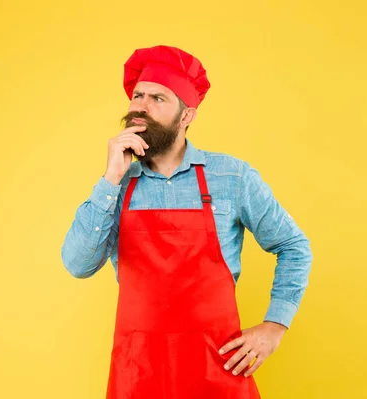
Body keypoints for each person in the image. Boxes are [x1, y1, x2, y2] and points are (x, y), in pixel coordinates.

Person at [61, 45, 313, 399]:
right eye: (138, 95)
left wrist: (275, 325)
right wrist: (110, 178)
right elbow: (77, 264)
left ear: (186, 116)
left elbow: (293, 246)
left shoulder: (232, 176)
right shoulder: (115, 187)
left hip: (218, 369)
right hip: (138, 374)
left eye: (158, 98)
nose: (140, 106)